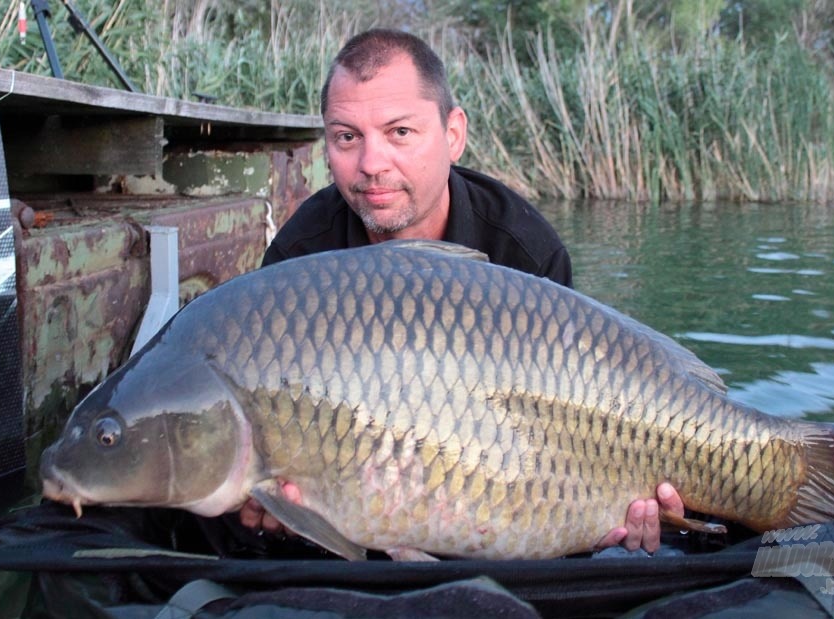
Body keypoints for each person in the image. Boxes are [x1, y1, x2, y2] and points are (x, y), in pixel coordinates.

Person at [243, 28, 685, 555]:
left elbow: (572, 420)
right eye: (347, 137)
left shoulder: (527, 252)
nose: (372, 164)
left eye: (400, 132)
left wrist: (620, 505)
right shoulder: (298, 262)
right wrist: (271, 503)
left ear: (453, 134)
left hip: (506, 497)